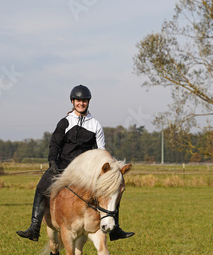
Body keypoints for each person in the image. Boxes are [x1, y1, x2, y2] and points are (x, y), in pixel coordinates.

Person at [16, 84, 134, 242]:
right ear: (72, 101)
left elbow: (101, 149)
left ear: (88, 102)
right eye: (78, 100)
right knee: (42, 186)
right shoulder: (65, 122)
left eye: (84, 100)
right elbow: (54, 144)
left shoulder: (95, 125)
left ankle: (115, 228)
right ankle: (34, 227)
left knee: (112, 188)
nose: (81, 103)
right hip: (63, 166)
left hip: (86, 170)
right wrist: (52, 161)